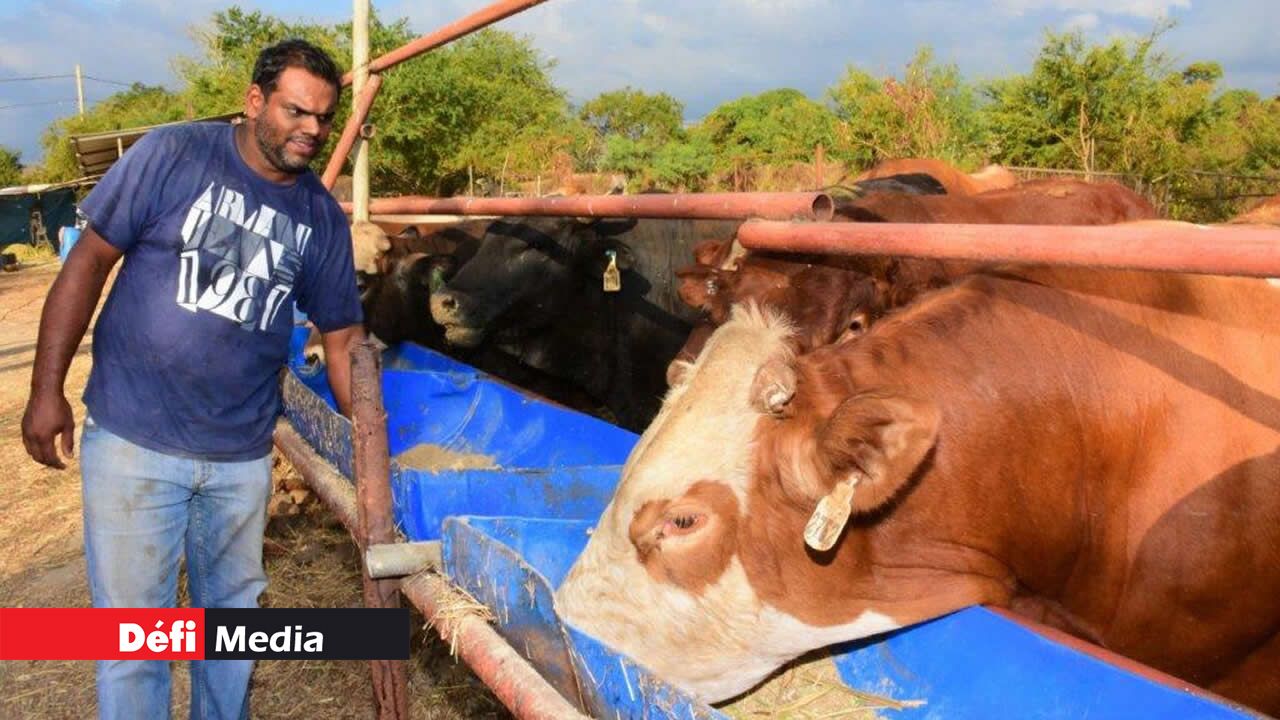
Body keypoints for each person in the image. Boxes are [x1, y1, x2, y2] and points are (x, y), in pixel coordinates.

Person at [21, 39, 364, 720]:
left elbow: (344, 338)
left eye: (325, 118)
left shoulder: (319, 217)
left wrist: (372, 445)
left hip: (240, 456)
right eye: (297, 112)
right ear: (254, 100)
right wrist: (44, 389)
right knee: (134, 640)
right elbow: (88, 262)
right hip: (134, 440)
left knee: (230, 634)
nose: (312, 130)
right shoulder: (174, 154)